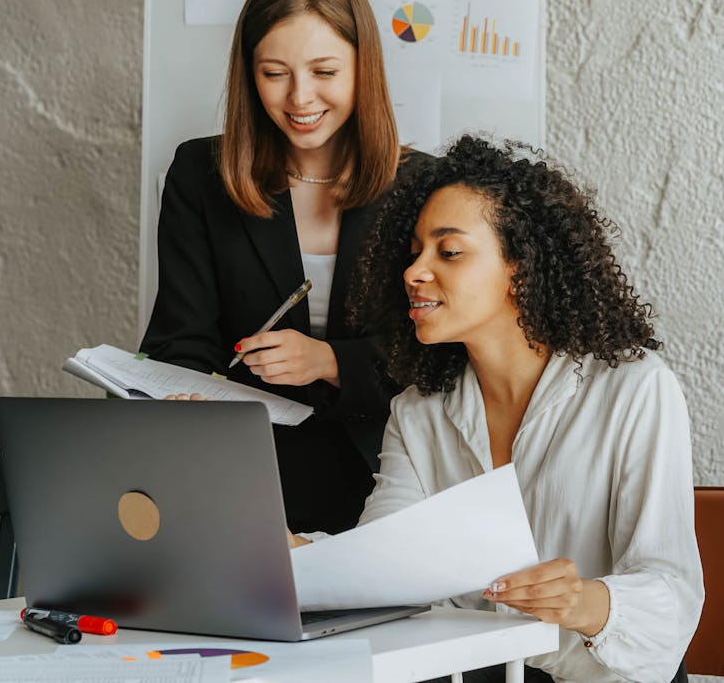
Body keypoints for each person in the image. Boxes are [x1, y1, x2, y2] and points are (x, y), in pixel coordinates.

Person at [299, 135, 703, 682]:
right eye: (415, 251)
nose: (414, 271)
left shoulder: (633, 391)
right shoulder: (419, 411)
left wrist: (583, 601)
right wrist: (296, 551)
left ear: (522, 267)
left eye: (448, 251)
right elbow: (386, 566)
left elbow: (672, 595)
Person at [141, 0, 415, 535]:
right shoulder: (200, 173)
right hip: (239, 479)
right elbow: (179, 337)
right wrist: (186, 393)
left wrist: (332, 361)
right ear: (248, 74)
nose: (300, 98)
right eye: (274, 73)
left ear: (364, 69)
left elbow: (447, 356)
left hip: (390, 478)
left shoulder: (422, 187)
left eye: (324, 71)